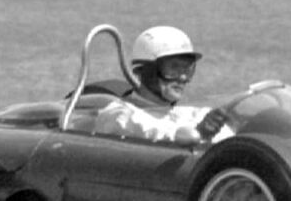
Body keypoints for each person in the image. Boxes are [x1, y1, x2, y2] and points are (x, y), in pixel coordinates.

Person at [89, 26, 228, 145]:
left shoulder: (191, 114)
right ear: (144, 71)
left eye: (187, 69)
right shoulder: (119, 115)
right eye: (173, 68)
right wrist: (200, 133)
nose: (183, 77)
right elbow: (152, 134)